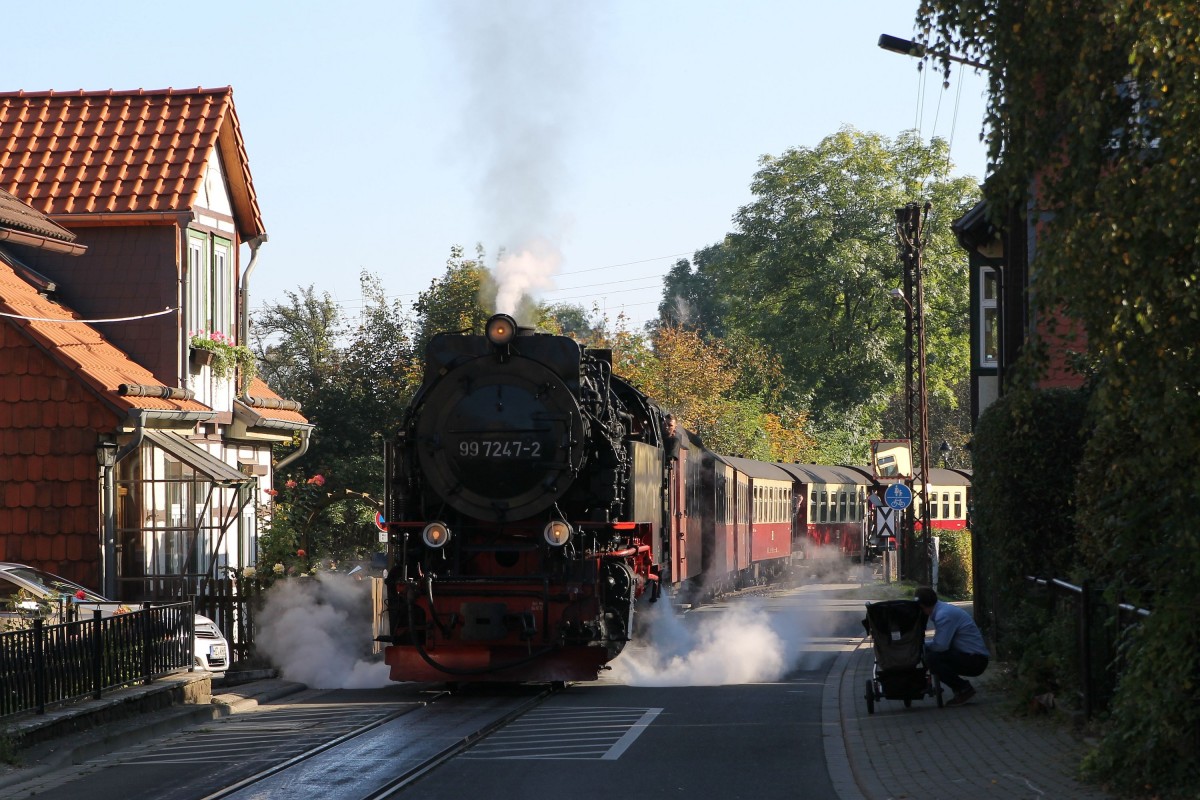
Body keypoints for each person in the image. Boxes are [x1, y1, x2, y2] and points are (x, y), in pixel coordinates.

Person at [915, 586, 990, 706]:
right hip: (971, 656)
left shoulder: (943, 615)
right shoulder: (943, 610)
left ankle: (963, 688)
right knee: (931, 655)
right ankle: (959, 688)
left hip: (975, 660)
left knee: (932, 659)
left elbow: (941, 646)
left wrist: (921, 646)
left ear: (923, 606)